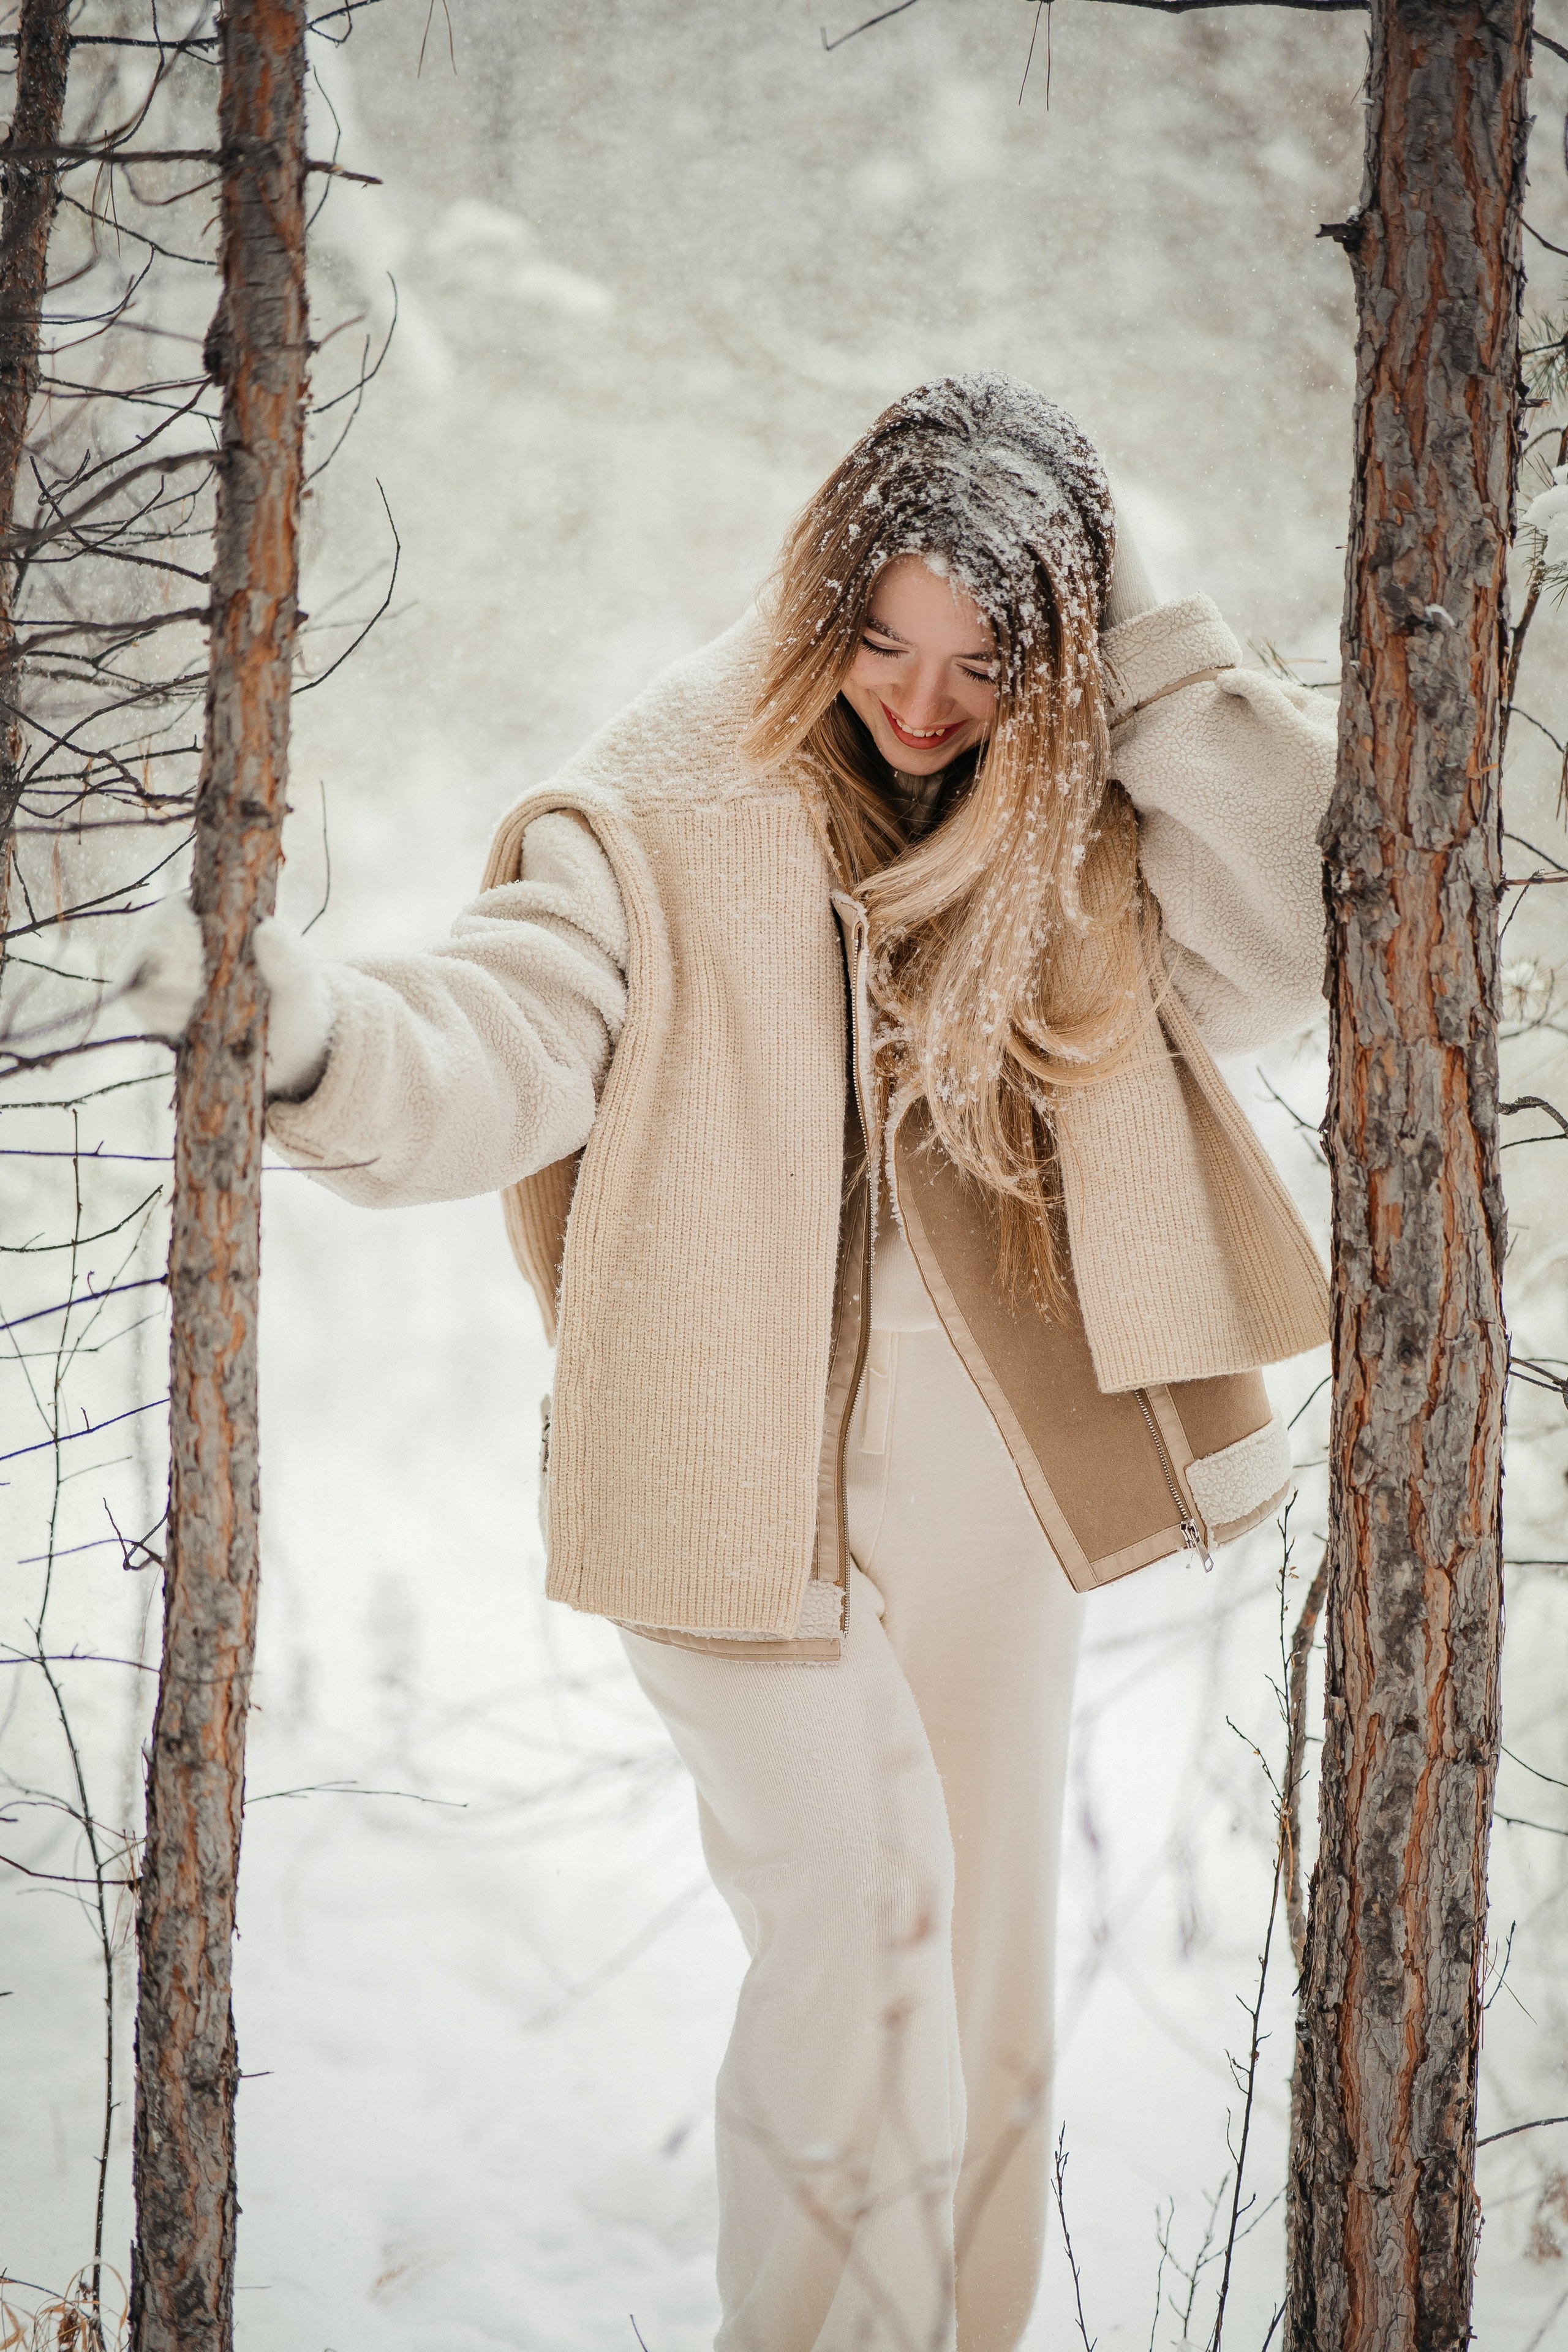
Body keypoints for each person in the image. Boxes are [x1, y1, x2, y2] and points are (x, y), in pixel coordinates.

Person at [126, 374, 1333, 2352]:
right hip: (720, 1464)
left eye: (984, 665)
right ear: (818, 609)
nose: (923, 704)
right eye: (883, 643)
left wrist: (1147, 661)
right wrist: (305, 1038)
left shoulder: (1075, 835)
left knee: (986, 1985)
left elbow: (1290, 944)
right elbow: (502, 1036)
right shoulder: (674, 804)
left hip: (1000, 1482)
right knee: (862, 1939)